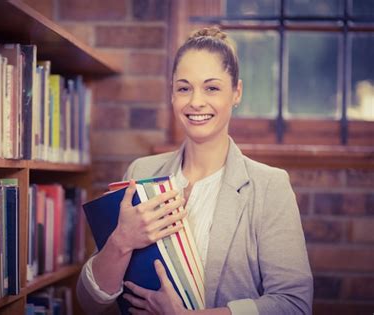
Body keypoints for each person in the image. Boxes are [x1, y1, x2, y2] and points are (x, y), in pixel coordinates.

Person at [77, 26, 313, 315]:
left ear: (236, 93)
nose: (196, 102)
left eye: (212, 88)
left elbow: (294, 305)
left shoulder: (269, 187)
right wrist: (121, 242)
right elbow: (89, 303)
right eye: (184, 88)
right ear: (172, 94)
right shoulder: (141, 171)